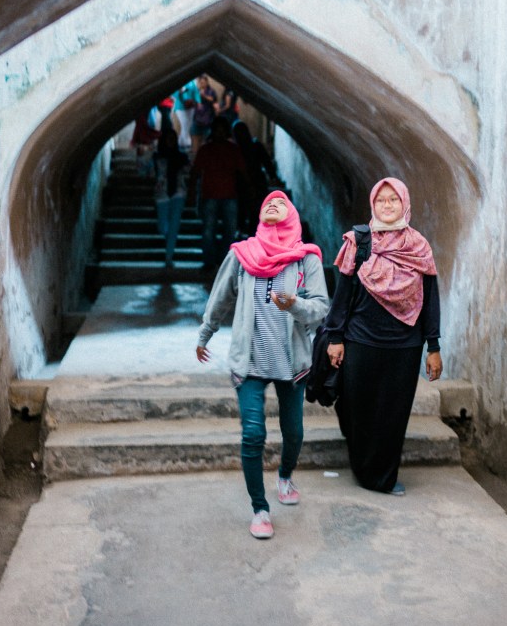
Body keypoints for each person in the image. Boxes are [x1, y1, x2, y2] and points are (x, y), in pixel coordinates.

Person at [196, 191, 330, 539]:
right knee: (253, 434)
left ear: (292, 215)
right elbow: (220, 296)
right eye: (267, 201)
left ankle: (284, 476)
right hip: (250, 362)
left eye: (281, 202)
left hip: (291, 364)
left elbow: (320, 309)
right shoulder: (242, 255)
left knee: (294, 432)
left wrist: (295, 305)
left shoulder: (306, 260)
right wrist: (205, 333)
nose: (273, 203)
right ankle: (260, 508)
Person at [323, 177, 442, 496]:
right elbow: (343, 293)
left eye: (394, 200)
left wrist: (434, 346)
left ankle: (383, 477)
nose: (387, 205)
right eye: (381, 200)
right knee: (358, 407)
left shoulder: (419, 247)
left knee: (393, 413)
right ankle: (363, 466)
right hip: (361, 340)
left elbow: (430, 298)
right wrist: (335, 336)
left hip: (405, 345)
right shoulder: (358, 242)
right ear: (373, 204)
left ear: (405, 203)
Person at [188, 117, 247, 272]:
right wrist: (192, 193)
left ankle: (222, 262)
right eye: (217, 130)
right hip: (209, 196)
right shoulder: (205, 150)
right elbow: (195, 173)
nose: (219, 133)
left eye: (222, 130)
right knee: (208, 231)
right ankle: (209, 261)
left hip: (230, 196)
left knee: (230, 231)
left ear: (226, 132)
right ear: (212, 131)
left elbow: (242, 171)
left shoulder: (233, 149)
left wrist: (248, 189)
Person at [232, 120, 278, 236]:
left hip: (248, 183)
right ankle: (249, 232)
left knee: (247, 209)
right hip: (249, 182)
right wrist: (272, 175)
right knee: (250, 210)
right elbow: (267, 162)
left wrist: (272, 174)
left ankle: (244, 230)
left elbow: (267, 162)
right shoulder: (253, 145)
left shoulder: (239, 148)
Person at [152, 130, 190, 268]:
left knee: (174, 225)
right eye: (168, 138)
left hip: (178, 192)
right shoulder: (157, 156)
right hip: (161, 193)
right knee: (163, 227)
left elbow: (188, 170)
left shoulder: (182, 156)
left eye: (173, 138)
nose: (171, 141)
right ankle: (168, 246)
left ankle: (169, 256)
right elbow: (148, 171)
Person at [190, 74, 218, 157]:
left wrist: (203, 96)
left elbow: (213, 99)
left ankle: (206, 157)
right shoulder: (196, 91)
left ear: (206, 82)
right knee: (195, 138)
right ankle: (196, 157)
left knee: (207, 140)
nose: (202, 84)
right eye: (200, 82)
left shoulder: (211, 91)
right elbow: (193, 101)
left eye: (203, 82)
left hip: (207, 120)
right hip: (197, 119)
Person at [172, 79, 199, 151]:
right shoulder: (178, 80)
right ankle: (187, 144)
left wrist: (198, 102)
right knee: (184, 125)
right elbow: (173, 94)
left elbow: (196, 92)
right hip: (180, 107)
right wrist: (180, 92)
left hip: (191, 107)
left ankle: (181, 144)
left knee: (188, 125)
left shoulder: (192, 81)